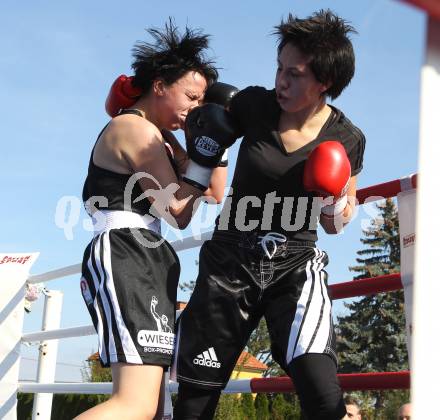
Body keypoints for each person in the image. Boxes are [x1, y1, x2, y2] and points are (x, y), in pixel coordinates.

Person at [173, 9, 365, 420]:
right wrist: (200, 155)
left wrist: (332, 200)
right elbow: (199, 134)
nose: (281, 80)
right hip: (229, 263)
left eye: (293, 74)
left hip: (294, 265)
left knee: (321, 391)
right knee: (194, 401)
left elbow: (338, 220)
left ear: (324, 81)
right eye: (279, 68)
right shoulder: (252, 105)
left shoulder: (346, 139)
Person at [75, 19, 232, 420]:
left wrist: (219, 137)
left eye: (202, 102)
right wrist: (199, 157)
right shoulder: (133, 128)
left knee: (154, 408)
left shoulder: (162, 138)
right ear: (160, 84)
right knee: (135, 405)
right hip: (125, 250)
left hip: (148, 256)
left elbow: (212, 193)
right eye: (192, 97)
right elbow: (179, 207)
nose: (195, 108)